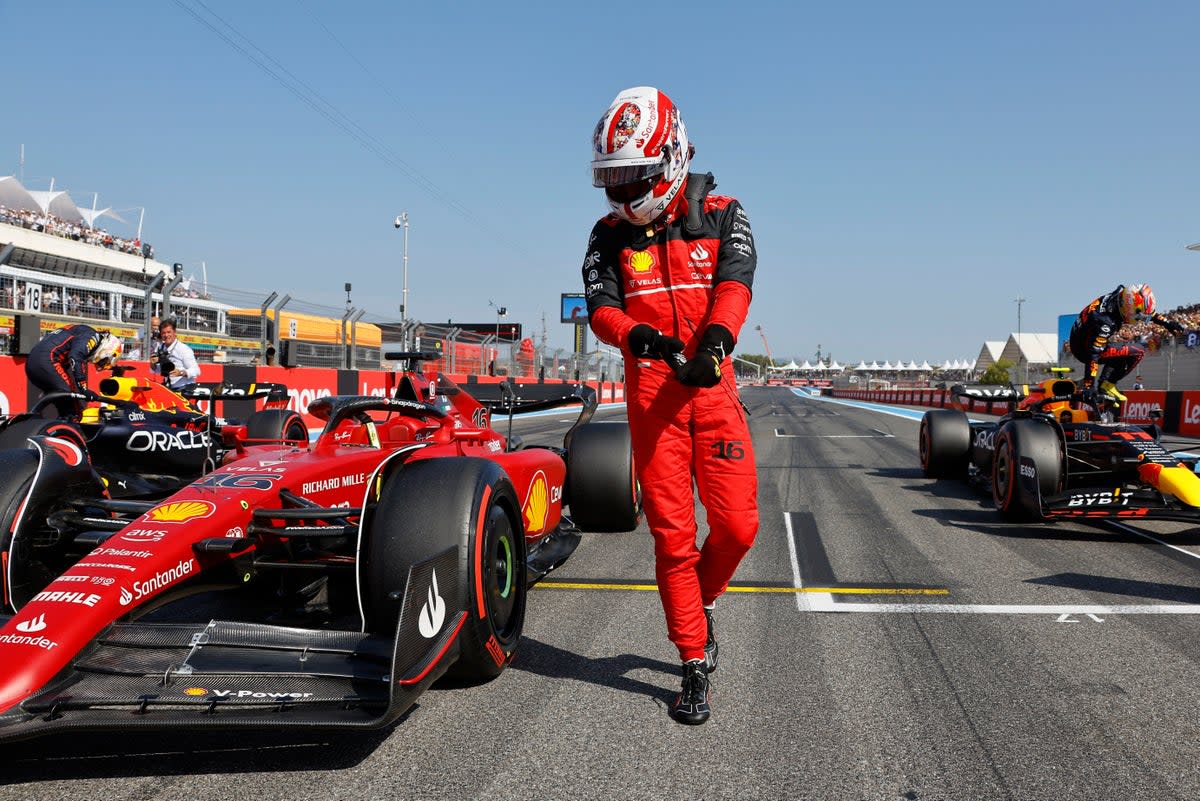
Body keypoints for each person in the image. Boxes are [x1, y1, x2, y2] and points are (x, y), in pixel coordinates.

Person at [582, 86, 758, 725]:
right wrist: (638, 337)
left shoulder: (723, 211)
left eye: (636, 178)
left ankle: (702, 599)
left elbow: (736, 285)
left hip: (712, 385)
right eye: (614, 180)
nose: (625, 194)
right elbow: (600, 306)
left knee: (739, 527)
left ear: (673, 155)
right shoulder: (606, 235)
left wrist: (714, 346)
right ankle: (691, 660)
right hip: (651, 395)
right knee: (673, 537)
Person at [1068, 284, 1184, 405]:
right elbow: (1093, 354)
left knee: (1121, 355)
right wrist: (1088, 386)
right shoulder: (1105, 322)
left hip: (1081, 338)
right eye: (1138, 316)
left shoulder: (1121, 296)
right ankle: (1107, 385)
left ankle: (1104, 385)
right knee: (1138, 351)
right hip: (1083, 349)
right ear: (1129, 310)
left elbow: (1145, 311)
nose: (1139, 319)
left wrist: (1167, 323)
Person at [25, 324, 122, 416]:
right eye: (105, 360)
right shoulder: (93, 336)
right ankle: (71, 426)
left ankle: (55, 423)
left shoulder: (85, 332)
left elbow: (68, 355)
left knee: (64, 403)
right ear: (108, 349)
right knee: (71, 400)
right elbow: (75, 357)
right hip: (46, 359)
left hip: (32, 362)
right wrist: (83, 389)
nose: (101, 363)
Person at [152, 318, 200, 391]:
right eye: (163, 333)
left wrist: (181, 373)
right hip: (169, 387)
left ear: (174, 332)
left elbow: (196, 371)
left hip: (184, 388)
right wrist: (152, 364)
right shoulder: (160, 348)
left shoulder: (183, 349)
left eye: (169, 332)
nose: (166, 335)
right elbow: (158, 371)